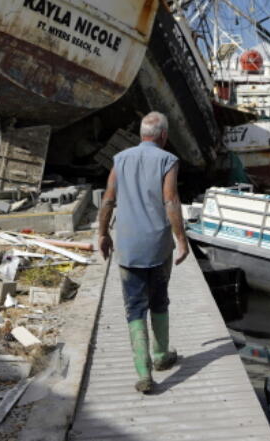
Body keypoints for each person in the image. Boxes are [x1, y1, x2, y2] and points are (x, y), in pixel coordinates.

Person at [97, 111, 189, 393]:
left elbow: (108, 199)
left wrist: (102, 233)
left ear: (141, 134)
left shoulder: (120, 159)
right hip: (158, 246)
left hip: (127, 245)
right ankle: (161, 356)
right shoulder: (167, 160)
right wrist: (181, 239)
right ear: (163, 135)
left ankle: (143, 373)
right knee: (159, 299)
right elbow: (171, 202)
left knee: (134, 306)